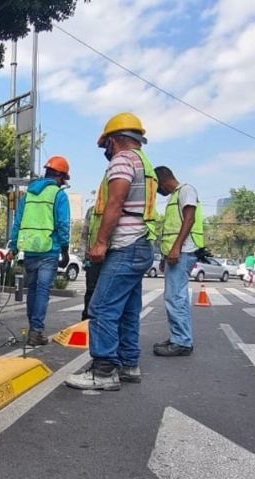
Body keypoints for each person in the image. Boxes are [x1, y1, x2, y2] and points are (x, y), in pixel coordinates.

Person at [66, 112, 156, 391]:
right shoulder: (145, 163)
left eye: (106, 144)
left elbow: (116, 203)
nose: (105, 151)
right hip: (142, 243)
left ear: (116, 139)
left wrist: (101, 242)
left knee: (102, 306)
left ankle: (104, 371)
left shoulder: (123, 159)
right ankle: (129, 364)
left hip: (126, 245)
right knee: (128, 309)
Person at [8, 155, 72, 346]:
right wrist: (65, 249)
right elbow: (62, 224)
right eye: (63, 180)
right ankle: (36, 331)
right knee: (42, 291)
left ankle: (33, 329)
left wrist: (13, 247)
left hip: (30, 250)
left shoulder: (27, 195)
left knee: (33, 291)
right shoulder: (59, 195)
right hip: (48, 250)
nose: (63, 184)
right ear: (59, 176)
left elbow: (17, 222)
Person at [153, 166, 204, 357]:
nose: (158, 191)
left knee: (175, 297)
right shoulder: (174, 196)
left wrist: (176, 248)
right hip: (177, 252)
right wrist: (166, 256)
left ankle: (181, 341)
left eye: (157, 186)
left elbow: (189, 219)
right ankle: (179, 337)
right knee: (174, 296)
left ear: (163, 179)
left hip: (184, 250)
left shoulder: (186, 190)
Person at [79, 205, 100, 321]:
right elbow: (84, 234)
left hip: (111, 257)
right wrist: (84, 256)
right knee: (91, 292)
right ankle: (87, 321)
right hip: (93, 258)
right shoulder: (92, 210)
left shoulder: (118, 207)